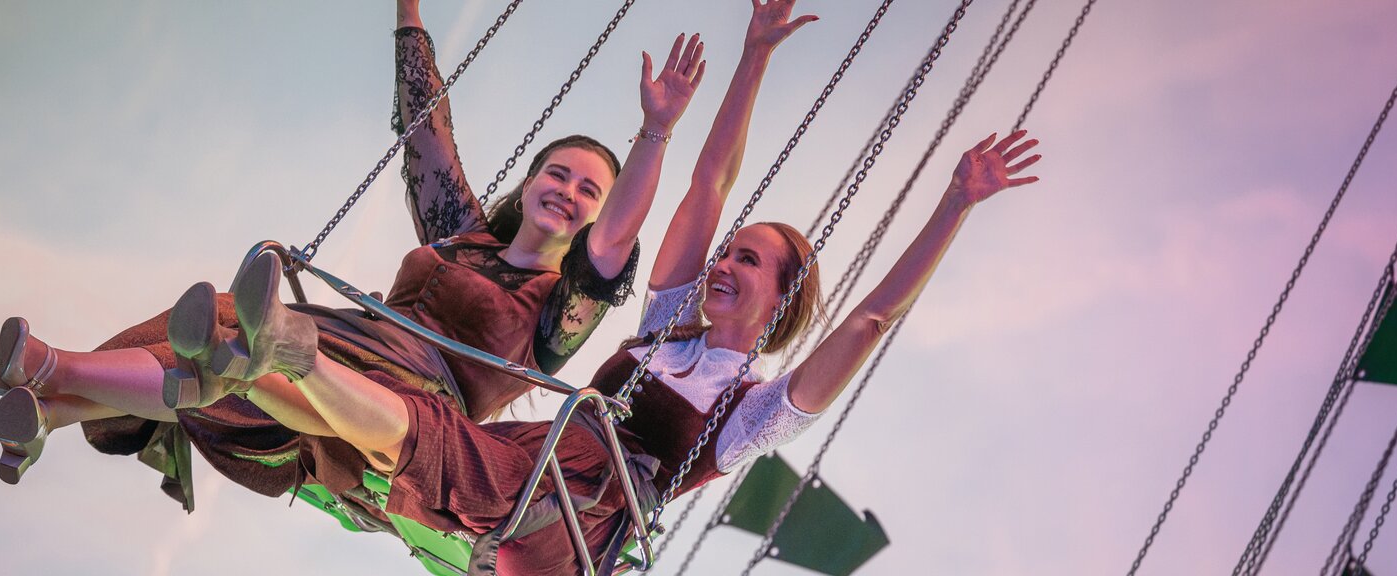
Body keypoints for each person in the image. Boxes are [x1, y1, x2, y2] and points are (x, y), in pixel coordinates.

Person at [171, 3, 1045, 572]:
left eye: (746, 261)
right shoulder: (667, 326)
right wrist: (753, 60)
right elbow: (707, 184)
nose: (721, 264)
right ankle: (273, 363)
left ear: (780, 302)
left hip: (589, 514)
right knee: (437, 435)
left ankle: (283, 368)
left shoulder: (753, 412)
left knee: (480, 477)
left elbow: (871, 318)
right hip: (529, 464)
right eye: (727, 252)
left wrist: (954, 206)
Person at [0, 0, 707, 506]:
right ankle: (53, 399)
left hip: (396, 412)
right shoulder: (460, 233)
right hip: (338, 338)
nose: (569, 192)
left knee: (252, 348)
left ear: (598, 218)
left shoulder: (560, 311)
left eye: (590, 191)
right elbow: (428, 130)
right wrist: (410, 13)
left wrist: (656, 132)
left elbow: (613, 245)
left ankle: (55, 380)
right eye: (559, 173)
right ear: (530, 180)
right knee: (228, 321)